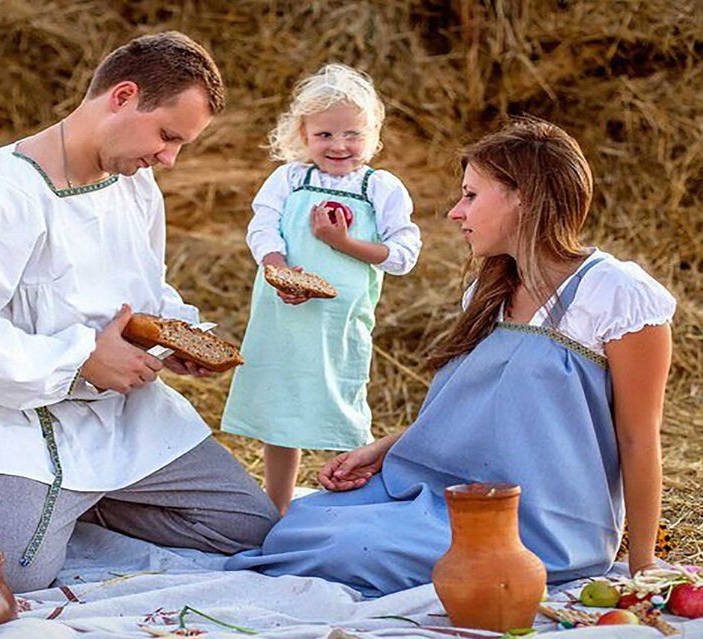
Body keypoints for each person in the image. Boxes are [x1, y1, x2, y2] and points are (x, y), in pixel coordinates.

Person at [0, 32, 278, 593]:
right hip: (18, 421)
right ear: (121, 96)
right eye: (167, 135)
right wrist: (81, 362)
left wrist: (177, 339)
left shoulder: (135, 185)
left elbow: (145, 289)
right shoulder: (0, 190)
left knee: (249, 529)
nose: (169, 158)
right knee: (12, 580)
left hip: (122, 417)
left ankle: (76, 505)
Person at [225, 119, 675, 596]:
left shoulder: (618, 294)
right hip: (452, 492)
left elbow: (637, 438)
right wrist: (385, 449)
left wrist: (641, 565)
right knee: (301, 526)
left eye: (471, 196)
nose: (455, 213)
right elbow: (483, 411)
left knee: (342, 547)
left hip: (540, 524)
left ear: (523, 196)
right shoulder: (490, 290)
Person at [220, 64, 422, 514]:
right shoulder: (290, 179)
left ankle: (350, 496)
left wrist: (344, 243)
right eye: (324, 135)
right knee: (282, 401)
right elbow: (263, 226)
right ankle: (278, 505)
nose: (338, 146)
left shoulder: (379, 187)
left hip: (339, 320)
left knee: (341, 398)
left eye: (352, 134)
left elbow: (405, 254)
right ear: (303, 134)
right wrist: (277, 268)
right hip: (283, 312)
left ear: (372, 135)